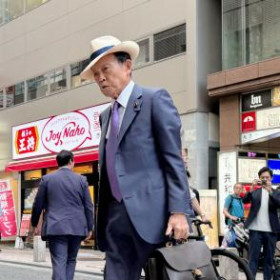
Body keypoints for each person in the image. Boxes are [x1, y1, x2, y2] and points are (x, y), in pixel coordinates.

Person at [80, 35, 191, 280]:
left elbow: (173, 160)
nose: (100, 78)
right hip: (117, 220)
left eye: (105, 69)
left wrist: (179, 211)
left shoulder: (154, 100)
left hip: (157, 218)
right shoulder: (106, 116)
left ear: (127, 66)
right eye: (96, 74)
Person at [31, 150, 94, 280]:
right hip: (77, 227)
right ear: (71, 161)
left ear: (57, 163)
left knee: (59, 261)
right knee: (71, 260)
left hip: (56, 226)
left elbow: (38, 204)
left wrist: (34, 223)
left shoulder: (47, 179)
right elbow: (88, 206)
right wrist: (89, 227)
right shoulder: (81, 180)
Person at [243, 166, 280, 280]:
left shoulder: (276, 192)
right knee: (253, 259)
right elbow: (245, 200)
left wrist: (269, 191)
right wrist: (252, 188)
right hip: (255, 231)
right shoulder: (255, 191)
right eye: (262, 177)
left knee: (268, 260)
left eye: (267, 177)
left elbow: (278, 204)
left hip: (271, 231)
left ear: (271, 178)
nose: (265, 179)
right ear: (259, 178)